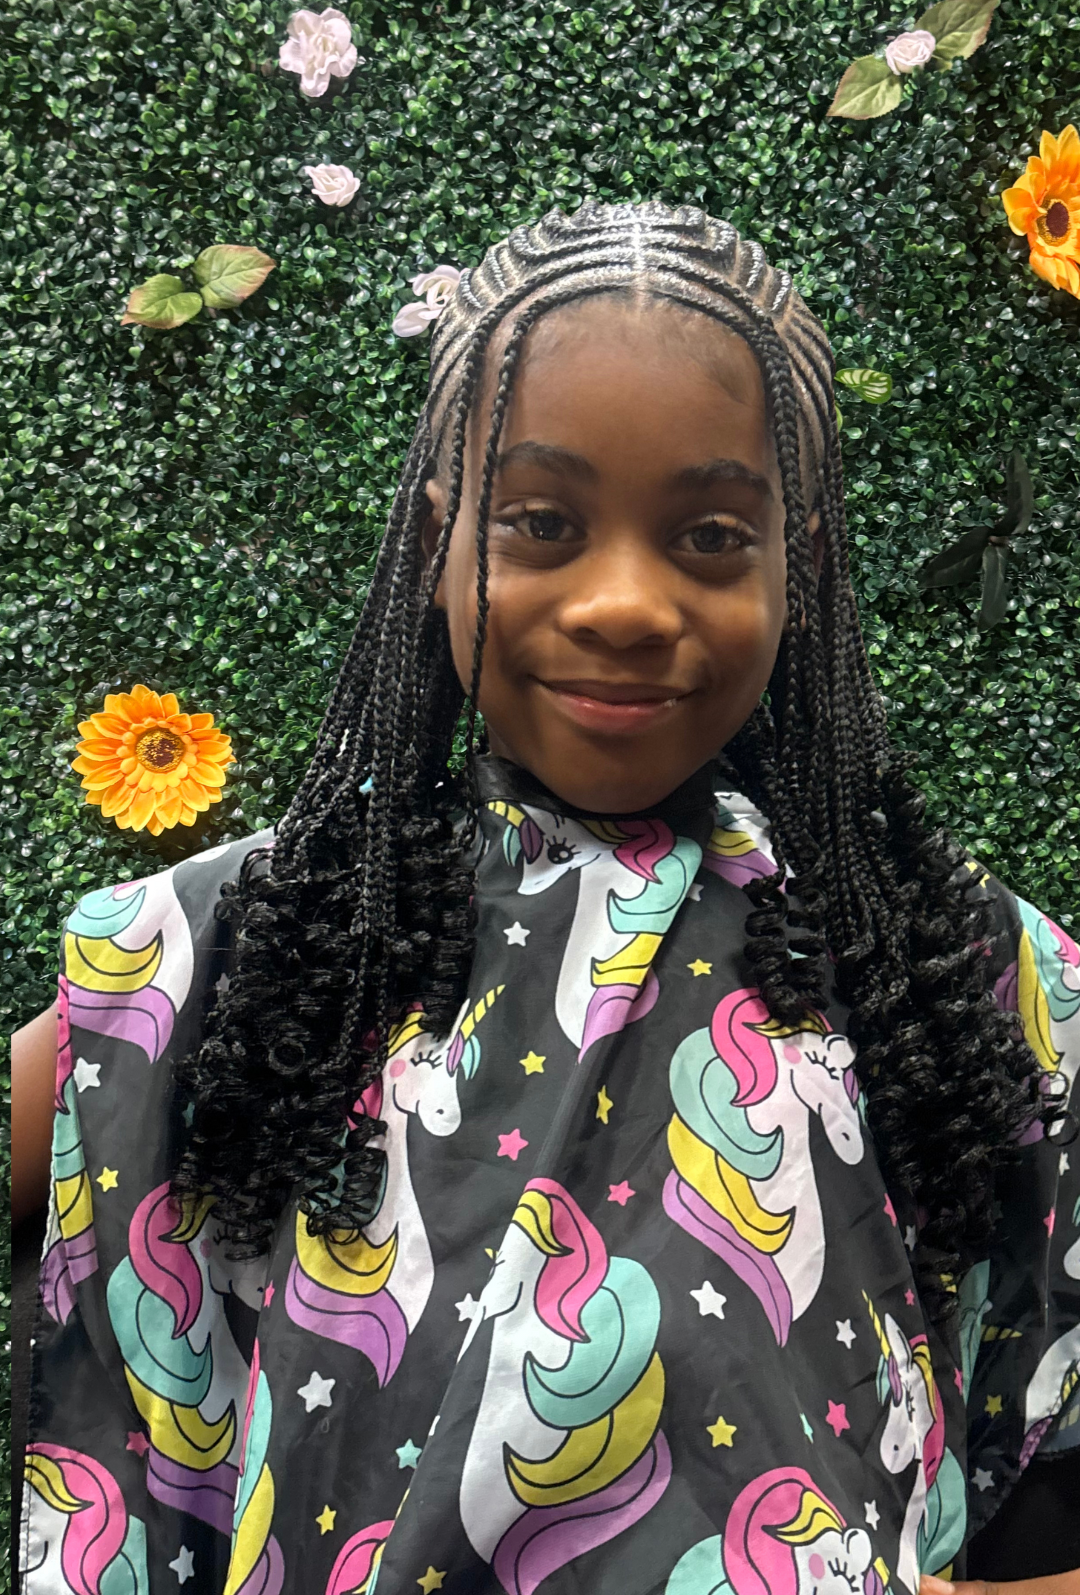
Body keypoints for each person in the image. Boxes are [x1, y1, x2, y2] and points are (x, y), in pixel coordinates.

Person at [11, 200, 1080, 1595]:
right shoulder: (241, 950)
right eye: (542, 522)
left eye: (711, 534)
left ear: (799, 565)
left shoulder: (958, 975)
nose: (624, 601)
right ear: (440, 543)